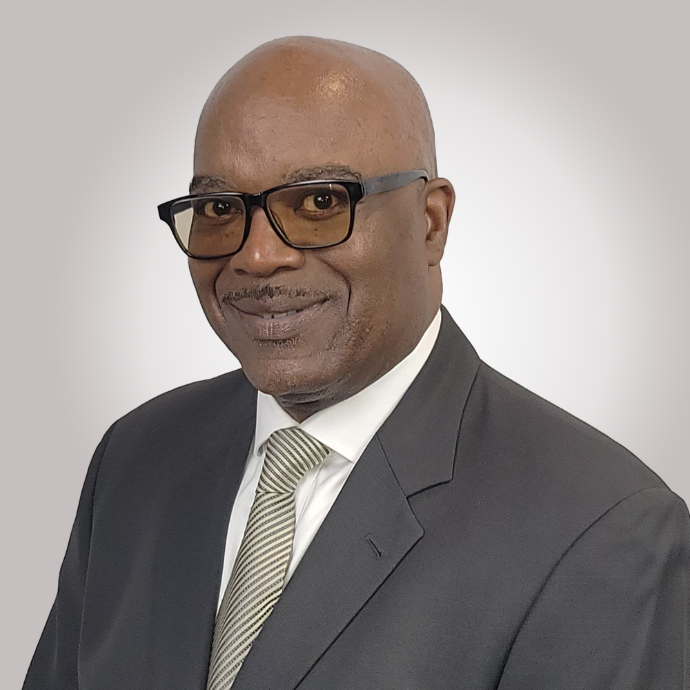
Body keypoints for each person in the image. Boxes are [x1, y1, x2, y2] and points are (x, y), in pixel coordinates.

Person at [23, 36, 689, 690]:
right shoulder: (137, 457)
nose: (257, 257)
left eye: (319, 202)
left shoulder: (604, 532)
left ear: (430, 222)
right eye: (221, 209)